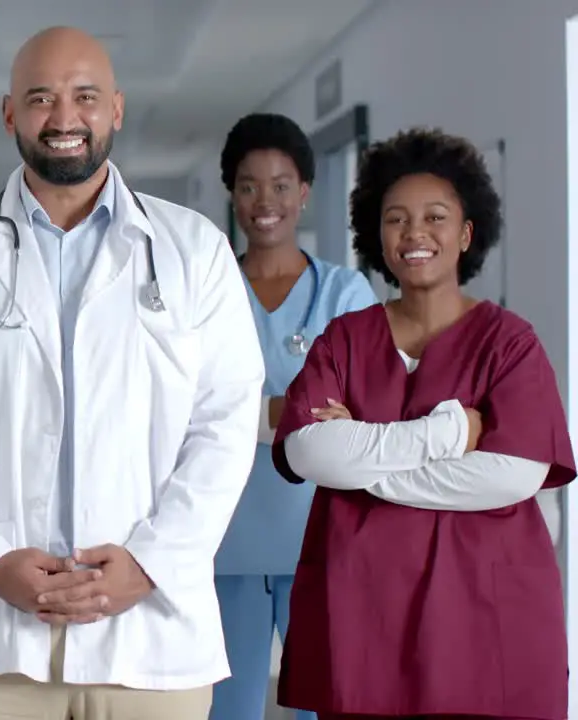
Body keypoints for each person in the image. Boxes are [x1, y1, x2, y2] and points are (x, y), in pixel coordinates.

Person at [0, 26, 265, 720]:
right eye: (40, 98)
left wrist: (149, 565)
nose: (63, 118)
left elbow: (226, 424)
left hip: (151, 636)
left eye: (84, 96)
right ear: (8, 115)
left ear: (115, 108)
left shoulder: (194, 251)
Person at [271, 128, 574, 720]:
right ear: (375, 234)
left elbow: (512, 475)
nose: (414, 234)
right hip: (366, 615)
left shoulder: (509, 343)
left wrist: (364, 470)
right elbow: (310, 453)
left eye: (435, 217)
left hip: (485, 619)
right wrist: (448, 436)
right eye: (396, 219)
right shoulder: (347, 338)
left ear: (466, 233)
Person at [210, 113, 377, 720]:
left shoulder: (345, 293)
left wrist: (247, 415)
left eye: (281, 184)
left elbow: (364, 412)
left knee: (327, 701)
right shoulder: (207, 288)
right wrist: (297, 414)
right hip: (224, 542)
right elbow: (181, 409)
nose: (265, 201)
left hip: (320, 542)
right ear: (232, 192)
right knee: (227, 710)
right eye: (249, 185)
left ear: (304, 191)